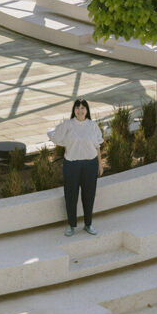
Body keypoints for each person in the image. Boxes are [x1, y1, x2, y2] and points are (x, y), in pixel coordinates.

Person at [49, 98, 103, 236]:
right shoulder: (67, 124)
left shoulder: (92, 125)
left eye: (83, 107)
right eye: (77, 107)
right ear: (74, 110)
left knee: (89, 195)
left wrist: (100, 165)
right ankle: (71, 225)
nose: (80, 110)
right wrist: (66, 145)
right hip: (72, 165)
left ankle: (88, 224)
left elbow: (97, 146)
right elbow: (55, 136)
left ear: (87, 110)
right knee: (71, 195)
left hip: (90, 164)